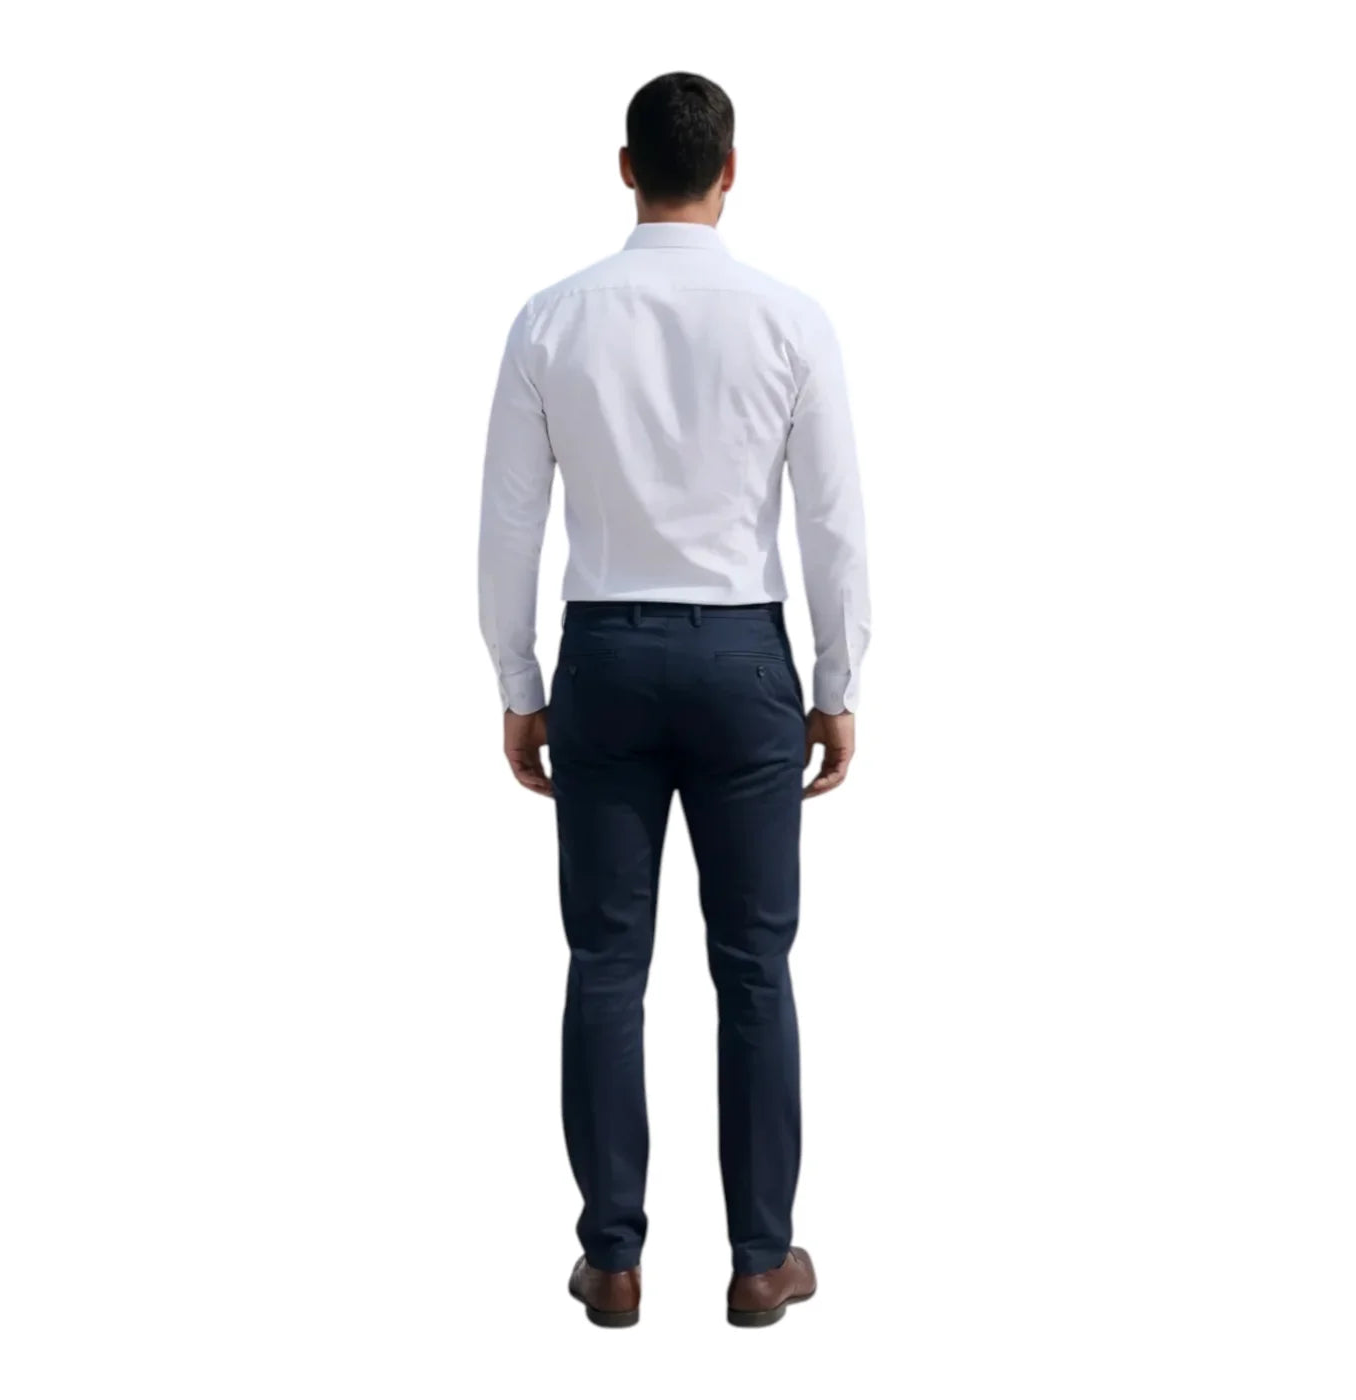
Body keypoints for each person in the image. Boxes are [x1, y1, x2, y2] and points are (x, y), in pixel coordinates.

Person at [477, 71, 869, 1328]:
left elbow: (509, 522)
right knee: (752, 964)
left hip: (602, 656)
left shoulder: (551, 319)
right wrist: (836, 681)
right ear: (730, 169)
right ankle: (758, 1257)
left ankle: (612, 1258)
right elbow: (830, 520)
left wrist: (518, 681)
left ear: (624, 167)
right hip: (743, 660)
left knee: (605, 961)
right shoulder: (789, 320)